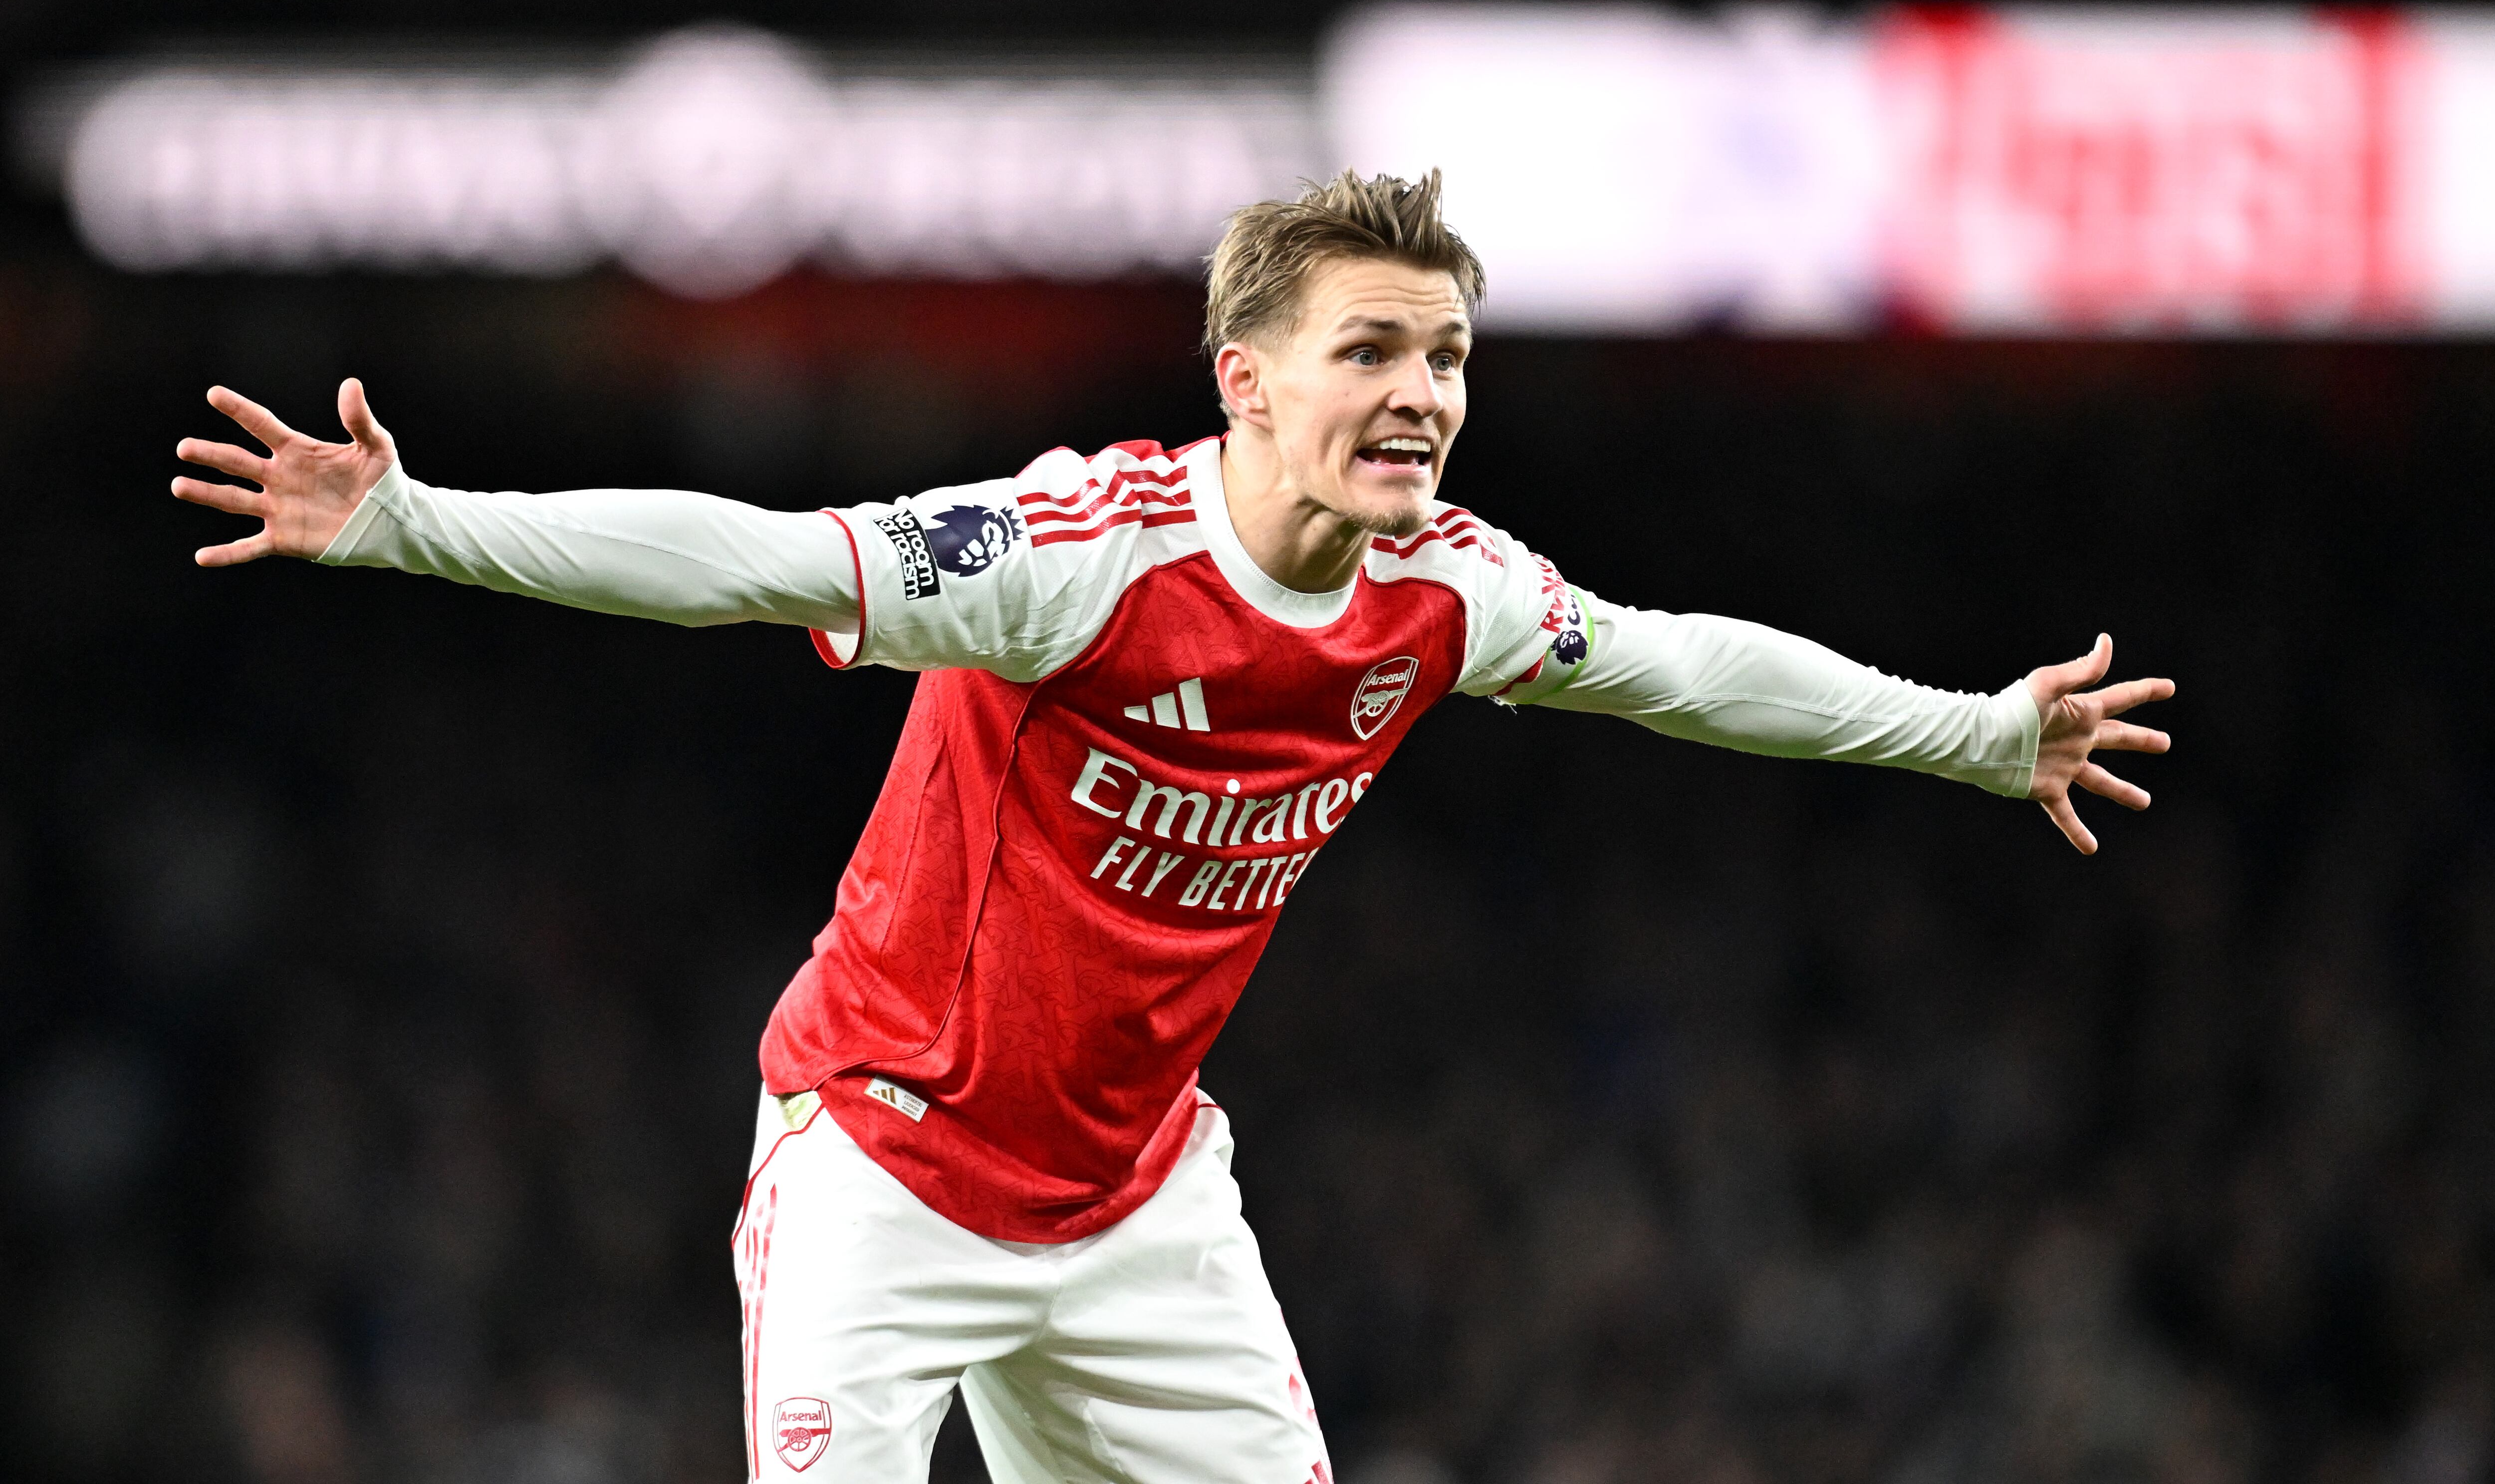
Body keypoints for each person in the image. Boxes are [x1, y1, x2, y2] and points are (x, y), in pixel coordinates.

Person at [170, 170, 2173, 1484]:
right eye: (1370, 351)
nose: (1422, 394)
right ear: (1245, 380)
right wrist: (413, 521)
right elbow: (743, 559)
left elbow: (1677, 665)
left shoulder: (1443, 593)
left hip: (1135, 1205)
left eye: (1448, 357)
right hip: (885, 1160)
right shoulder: (1072, 555)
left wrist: (1975, 737)